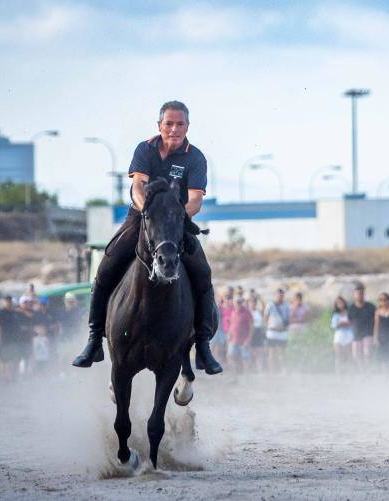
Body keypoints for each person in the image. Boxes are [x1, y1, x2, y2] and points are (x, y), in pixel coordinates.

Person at [71, 101, 221, 374]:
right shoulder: (145, 149)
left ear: (188, 126)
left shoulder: (196, 158)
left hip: (177, 223)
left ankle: (202, 346)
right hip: (141, 218)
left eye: (180, 124)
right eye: (169, 124)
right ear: (159, 125)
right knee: (106, 267)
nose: (174, 129)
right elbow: (138, 185)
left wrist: (176, 216)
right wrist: (149, 211)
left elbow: (196, 199)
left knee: (202, 273)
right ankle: (94, 341)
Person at [348, 283, 376, 371]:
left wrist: (375, 335)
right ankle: (362, 371)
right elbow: (349, 321)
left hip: (368, 333)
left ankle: (368, 371)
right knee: (356, 356)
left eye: (362, 293)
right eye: (358, 293)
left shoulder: (371, 307)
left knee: (367, 354)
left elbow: (376, 320)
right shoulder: (351, 308)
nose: (360, 295)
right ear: (354, 295)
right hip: (356, 334)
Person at [264, 288, 290, 373]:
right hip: (272, 332)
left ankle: (284, 370)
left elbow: (288, 317)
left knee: (282, 352)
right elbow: (266, 317)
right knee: (271, 353)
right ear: (275, 295)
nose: (280, 296)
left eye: (281, 295)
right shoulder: (270, 305)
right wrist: (268, 326)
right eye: (278, 295)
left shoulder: (286, 305)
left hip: (282, 332)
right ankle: (272, 371)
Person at [227, 297, 253, 374]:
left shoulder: (247, 312)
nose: (238, 304)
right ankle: (236, 372)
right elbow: (232, 325)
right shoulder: (233, 312)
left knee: (245, 358)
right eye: (236, 302)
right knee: (231, 356)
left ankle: (246, 374)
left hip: (244, 340)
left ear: (242, 303)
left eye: (239, 302)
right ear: (234, 303)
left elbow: (251, 327)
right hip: (234, 339)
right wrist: (229, 335)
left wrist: (248, 339)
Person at [373, 293, 389, 370]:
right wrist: (375, 338)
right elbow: (376, 326)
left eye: (385, 299)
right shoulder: (377, 312)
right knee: (383, 357)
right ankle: (385, 374)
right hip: (382, 337)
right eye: (381, 300)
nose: (383, 302)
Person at [331, 296, 353, 374]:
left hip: (348, 335)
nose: (340, 304)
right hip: (339, 335)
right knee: (338, 356)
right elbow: (334, 326)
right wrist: (343, 324)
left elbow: (352, 324)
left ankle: (350, 373)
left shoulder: (349, 313)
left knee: (349, 355)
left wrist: (342, 324)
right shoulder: (335, 314)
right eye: (338, 303)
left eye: (341, 302)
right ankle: (339, 374)